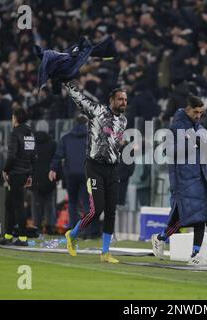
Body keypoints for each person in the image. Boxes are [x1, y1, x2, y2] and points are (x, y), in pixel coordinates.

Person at [63, 81, 127, 264]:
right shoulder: (97, 110)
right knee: (96, 209)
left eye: (125, 100)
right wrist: (68, 85)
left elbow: (114, 142)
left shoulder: (123, 120)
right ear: (111, 100)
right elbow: (79, 99)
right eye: (120, 99)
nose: (123, 102)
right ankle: (73, 234)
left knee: (111, 211)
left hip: (113, 169)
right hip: (94, 167)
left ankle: (105, 252)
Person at [151, 95, 207, 266]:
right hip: (182, 179)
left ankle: (192, 253)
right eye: (196, 112)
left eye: (201, 112)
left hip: (198, 176)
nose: (199, 116)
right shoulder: (175, 128)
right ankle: (163, 238)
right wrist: (192, 144)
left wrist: (206, 150)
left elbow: (203, 154)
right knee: (186, 217)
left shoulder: (199, 128)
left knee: (198, 216)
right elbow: (167, 151)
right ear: (187, 110)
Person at [0, 108, 36, 246]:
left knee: (17, 205)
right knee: (10, 204)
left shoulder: (15, 133)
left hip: (16, 173)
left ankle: (21, 238)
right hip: (24, 173)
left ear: (16, 118)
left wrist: (5, 170)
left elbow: (12, 156)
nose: (12, 120)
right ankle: (9, 236)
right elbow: (32, 156)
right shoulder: (30, 134)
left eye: (13, 117)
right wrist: (29, 174)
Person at [49, 115, 90, 231]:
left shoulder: (66, 138)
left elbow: (58, 156)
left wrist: (53, 169)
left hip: (70, 174)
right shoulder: (90, 138)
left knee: (72, 202)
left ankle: (74, 228)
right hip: (86, 174)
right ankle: (87, 229)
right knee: (86, 202)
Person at [32, 120, 57, 235]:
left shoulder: (32, 144)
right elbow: (56, 161)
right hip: (49, 177)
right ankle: (50, 226)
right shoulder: (53, 143)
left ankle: (36, 226)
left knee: (36, 203)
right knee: (49, 203)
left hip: (35, 177)